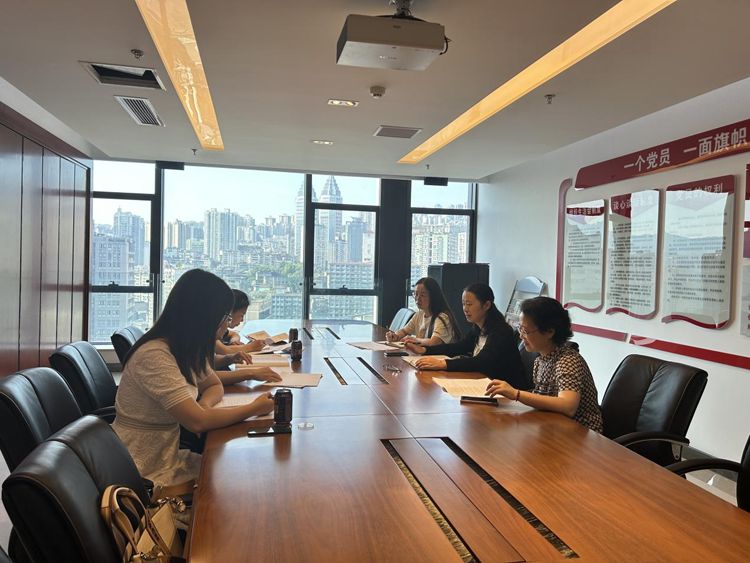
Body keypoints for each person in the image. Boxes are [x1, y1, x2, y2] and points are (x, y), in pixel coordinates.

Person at [113, 269, 276, 491]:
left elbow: (213, 384)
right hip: (142, 471)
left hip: (168, 454)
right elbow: (197, 422)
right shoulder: (155, 355)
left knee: (245, 475)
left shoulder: (183, 347)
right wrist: (254, 408)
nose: (227, 325)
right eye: (226, 317)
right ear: (205, 316)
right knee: (240, 482)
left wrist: (204, 406)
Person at [485, 296, 603, 433]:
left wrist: (516, 394)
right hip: (554, 427)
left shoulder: (567, 360)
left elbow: (568, 406)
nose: (521, 336)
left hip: (582, 434)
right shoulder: (540, 360)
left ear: (549, 332)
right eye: (520, 328)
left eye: (525, 330)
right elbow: (541, 396)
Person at [405, 282, 528, 389]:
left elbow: (482, 361)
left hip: (508, 392)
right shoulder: (478, 327)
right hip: (485, 383)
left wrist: (443, 364)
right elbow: (459, 347)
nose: (465, 309)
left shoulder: (501, 331)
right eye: (463, 304)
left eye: (469, 304)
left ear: (486, 305)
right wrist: (425, 350)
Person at [385, 277, 461, 346]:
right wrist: (396, 336)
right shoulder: (419, 314)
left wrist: (414, 340)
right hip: (426, 355)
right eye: (416, 294)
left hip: (442, 356)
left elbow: (434, 342)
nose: (418, 298)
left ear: (433, 296)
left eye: (422, 295)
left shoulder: (442, 317)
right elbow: (404, 331)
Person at [215, 289, 265, 355]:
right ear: (230, 312)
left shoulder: (221, 329)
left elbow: (234, 334)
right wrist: (252, 347)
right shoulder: (212, 331)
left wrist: (233, 341)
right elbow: (225, 351)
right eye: (242, 315)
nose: (242, 320)